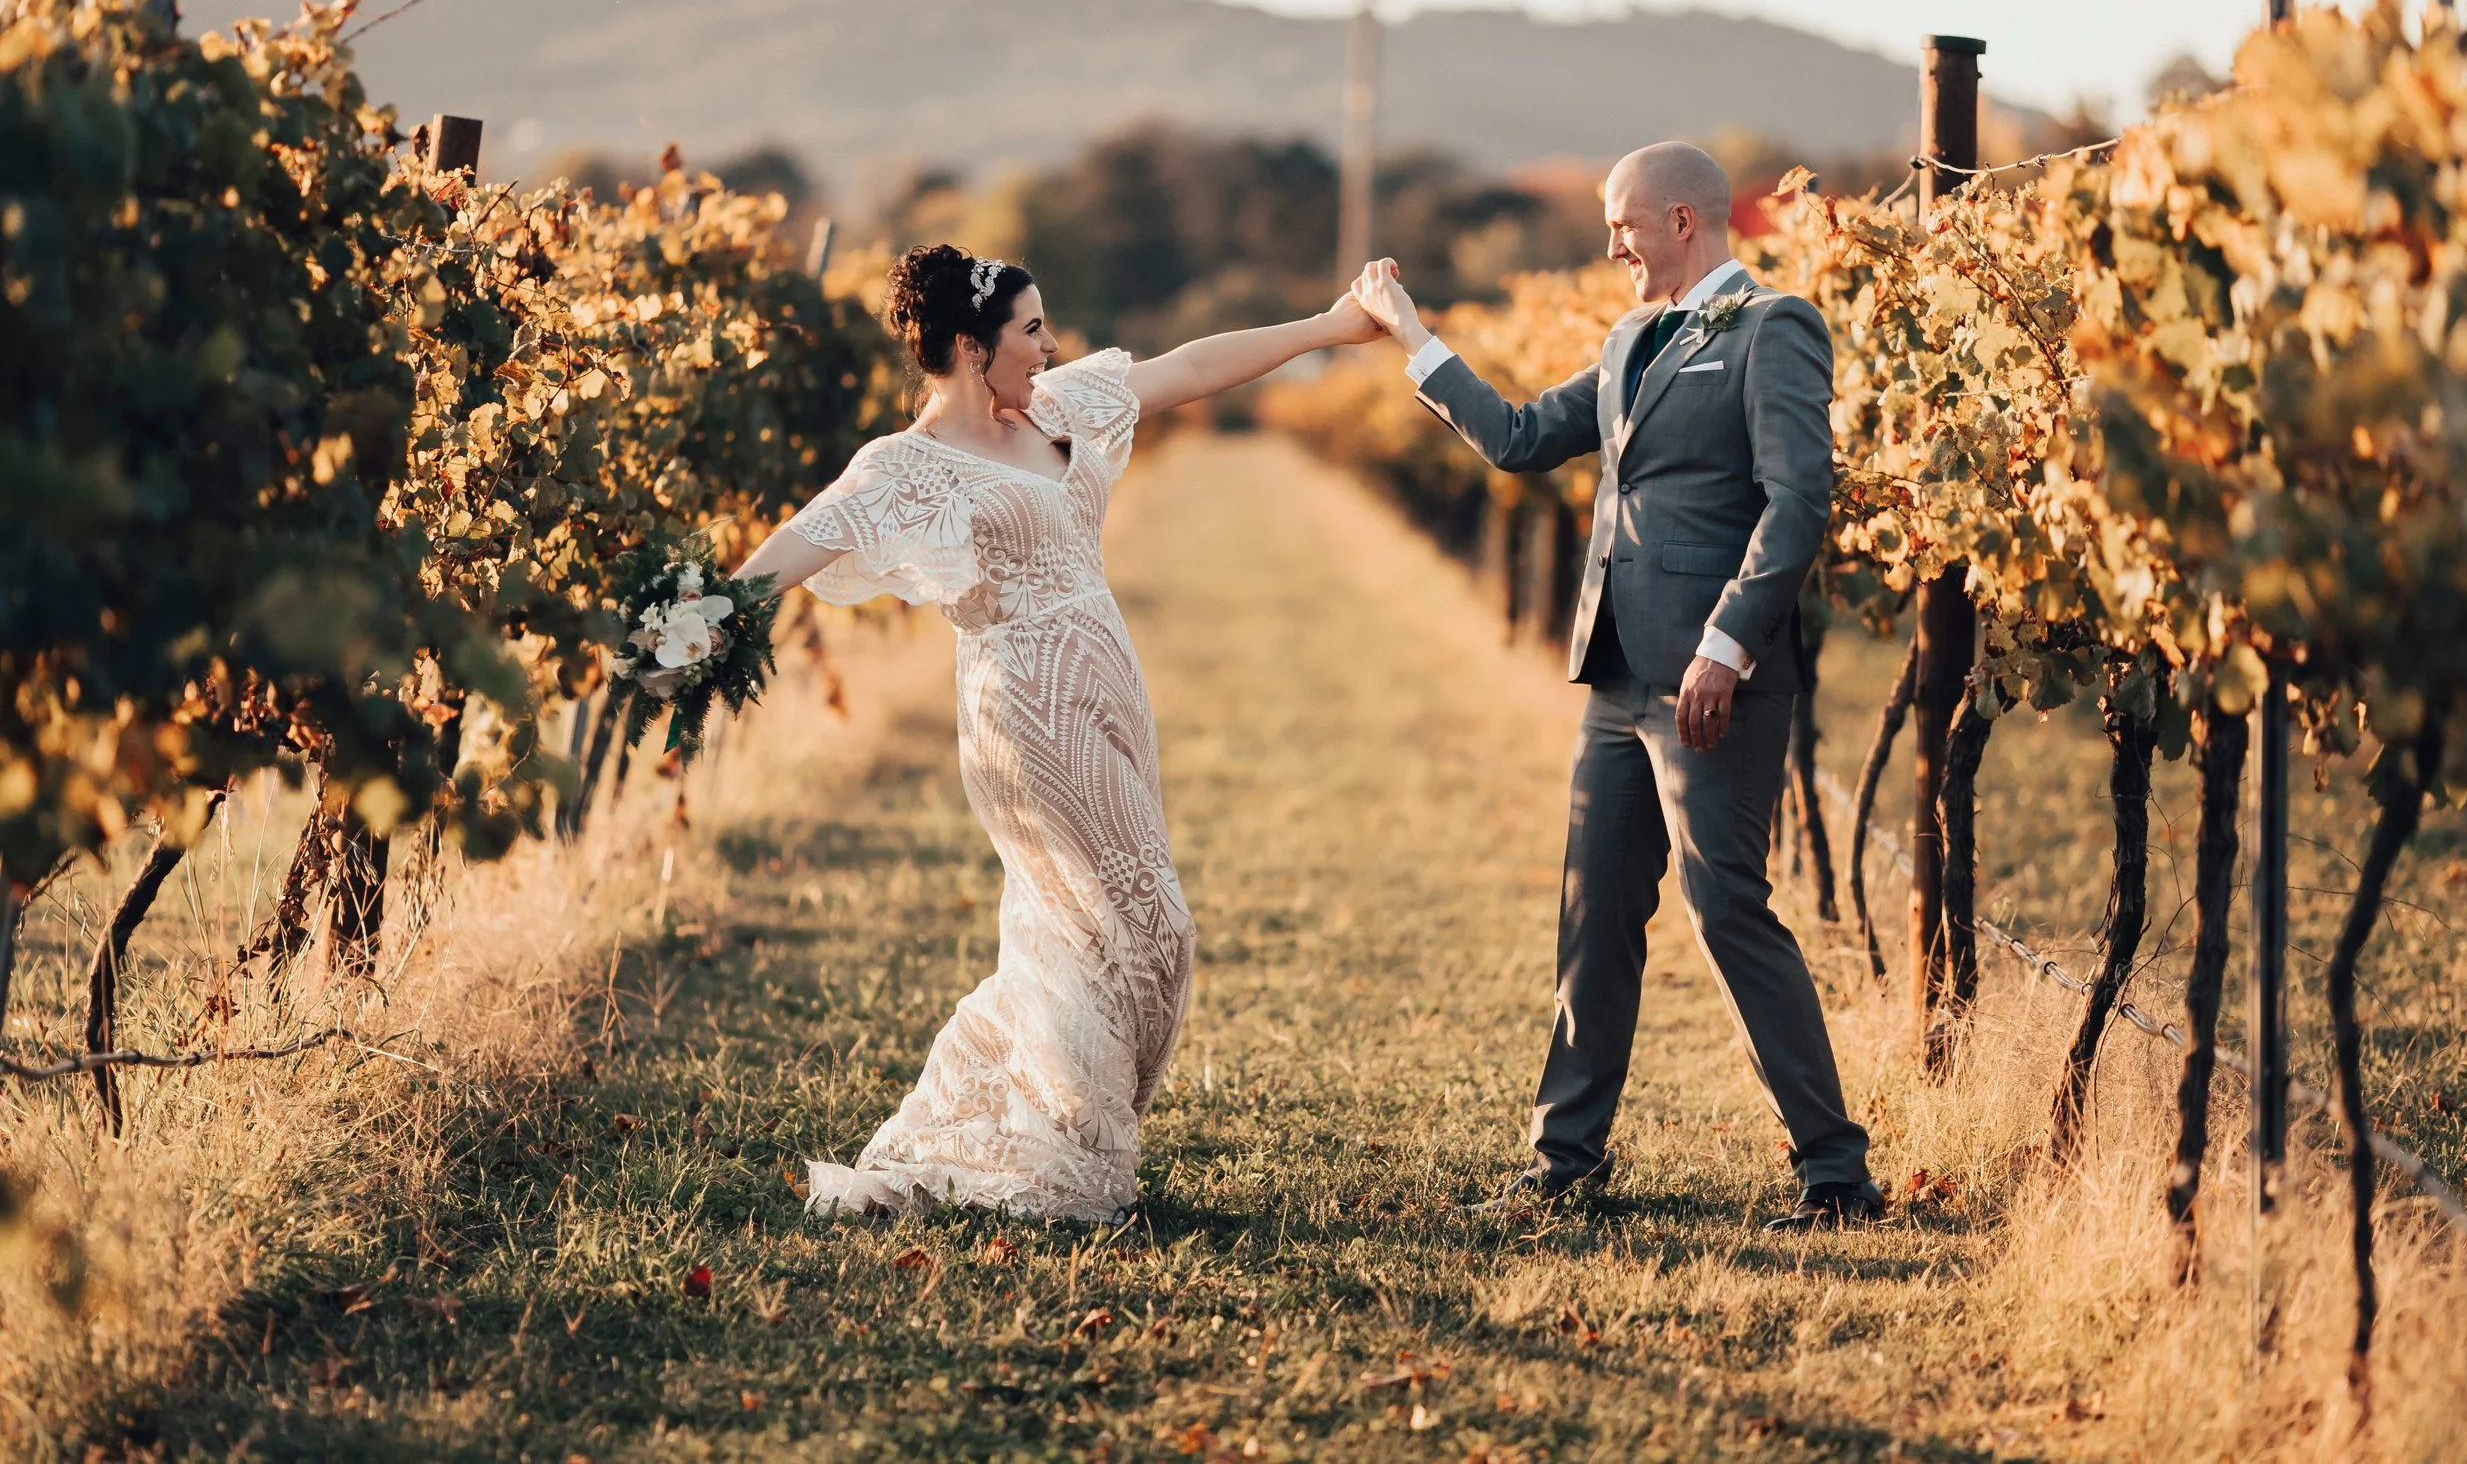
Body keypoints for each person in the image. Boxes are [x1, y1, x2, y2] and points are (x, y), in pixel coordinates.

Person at [734, 243, 1384, 1222]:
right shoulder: (903, 467)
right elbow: (785, 554)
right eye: (1029, 330)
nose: (1048, 345)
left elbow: (1191, 367)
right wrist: (683, 622)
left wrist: (1330, 327)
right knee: (1144, 928)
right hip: (1026, 714)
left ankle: (1027, 1137)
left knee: (1086, 933)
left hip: (1111, 691)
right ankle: (1068, 1163)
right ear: (966, 346)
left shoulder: (1058, 408)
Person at [1351, 142, 1883, 1229]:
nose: (1609, 247)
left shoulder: (1772, 326)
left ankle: (1835, 1171)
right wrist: (1414, 337)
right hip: (1616, 674)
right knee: (1593, 910)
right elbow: (1514, 440)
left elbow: (1796, 500)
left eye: (1622, 225)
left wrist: (1726, 646)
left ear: (1684, 219)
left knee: (1725, 907)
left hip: (1710, 681)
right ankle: (1566, 1160)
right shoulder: (1630, 336)